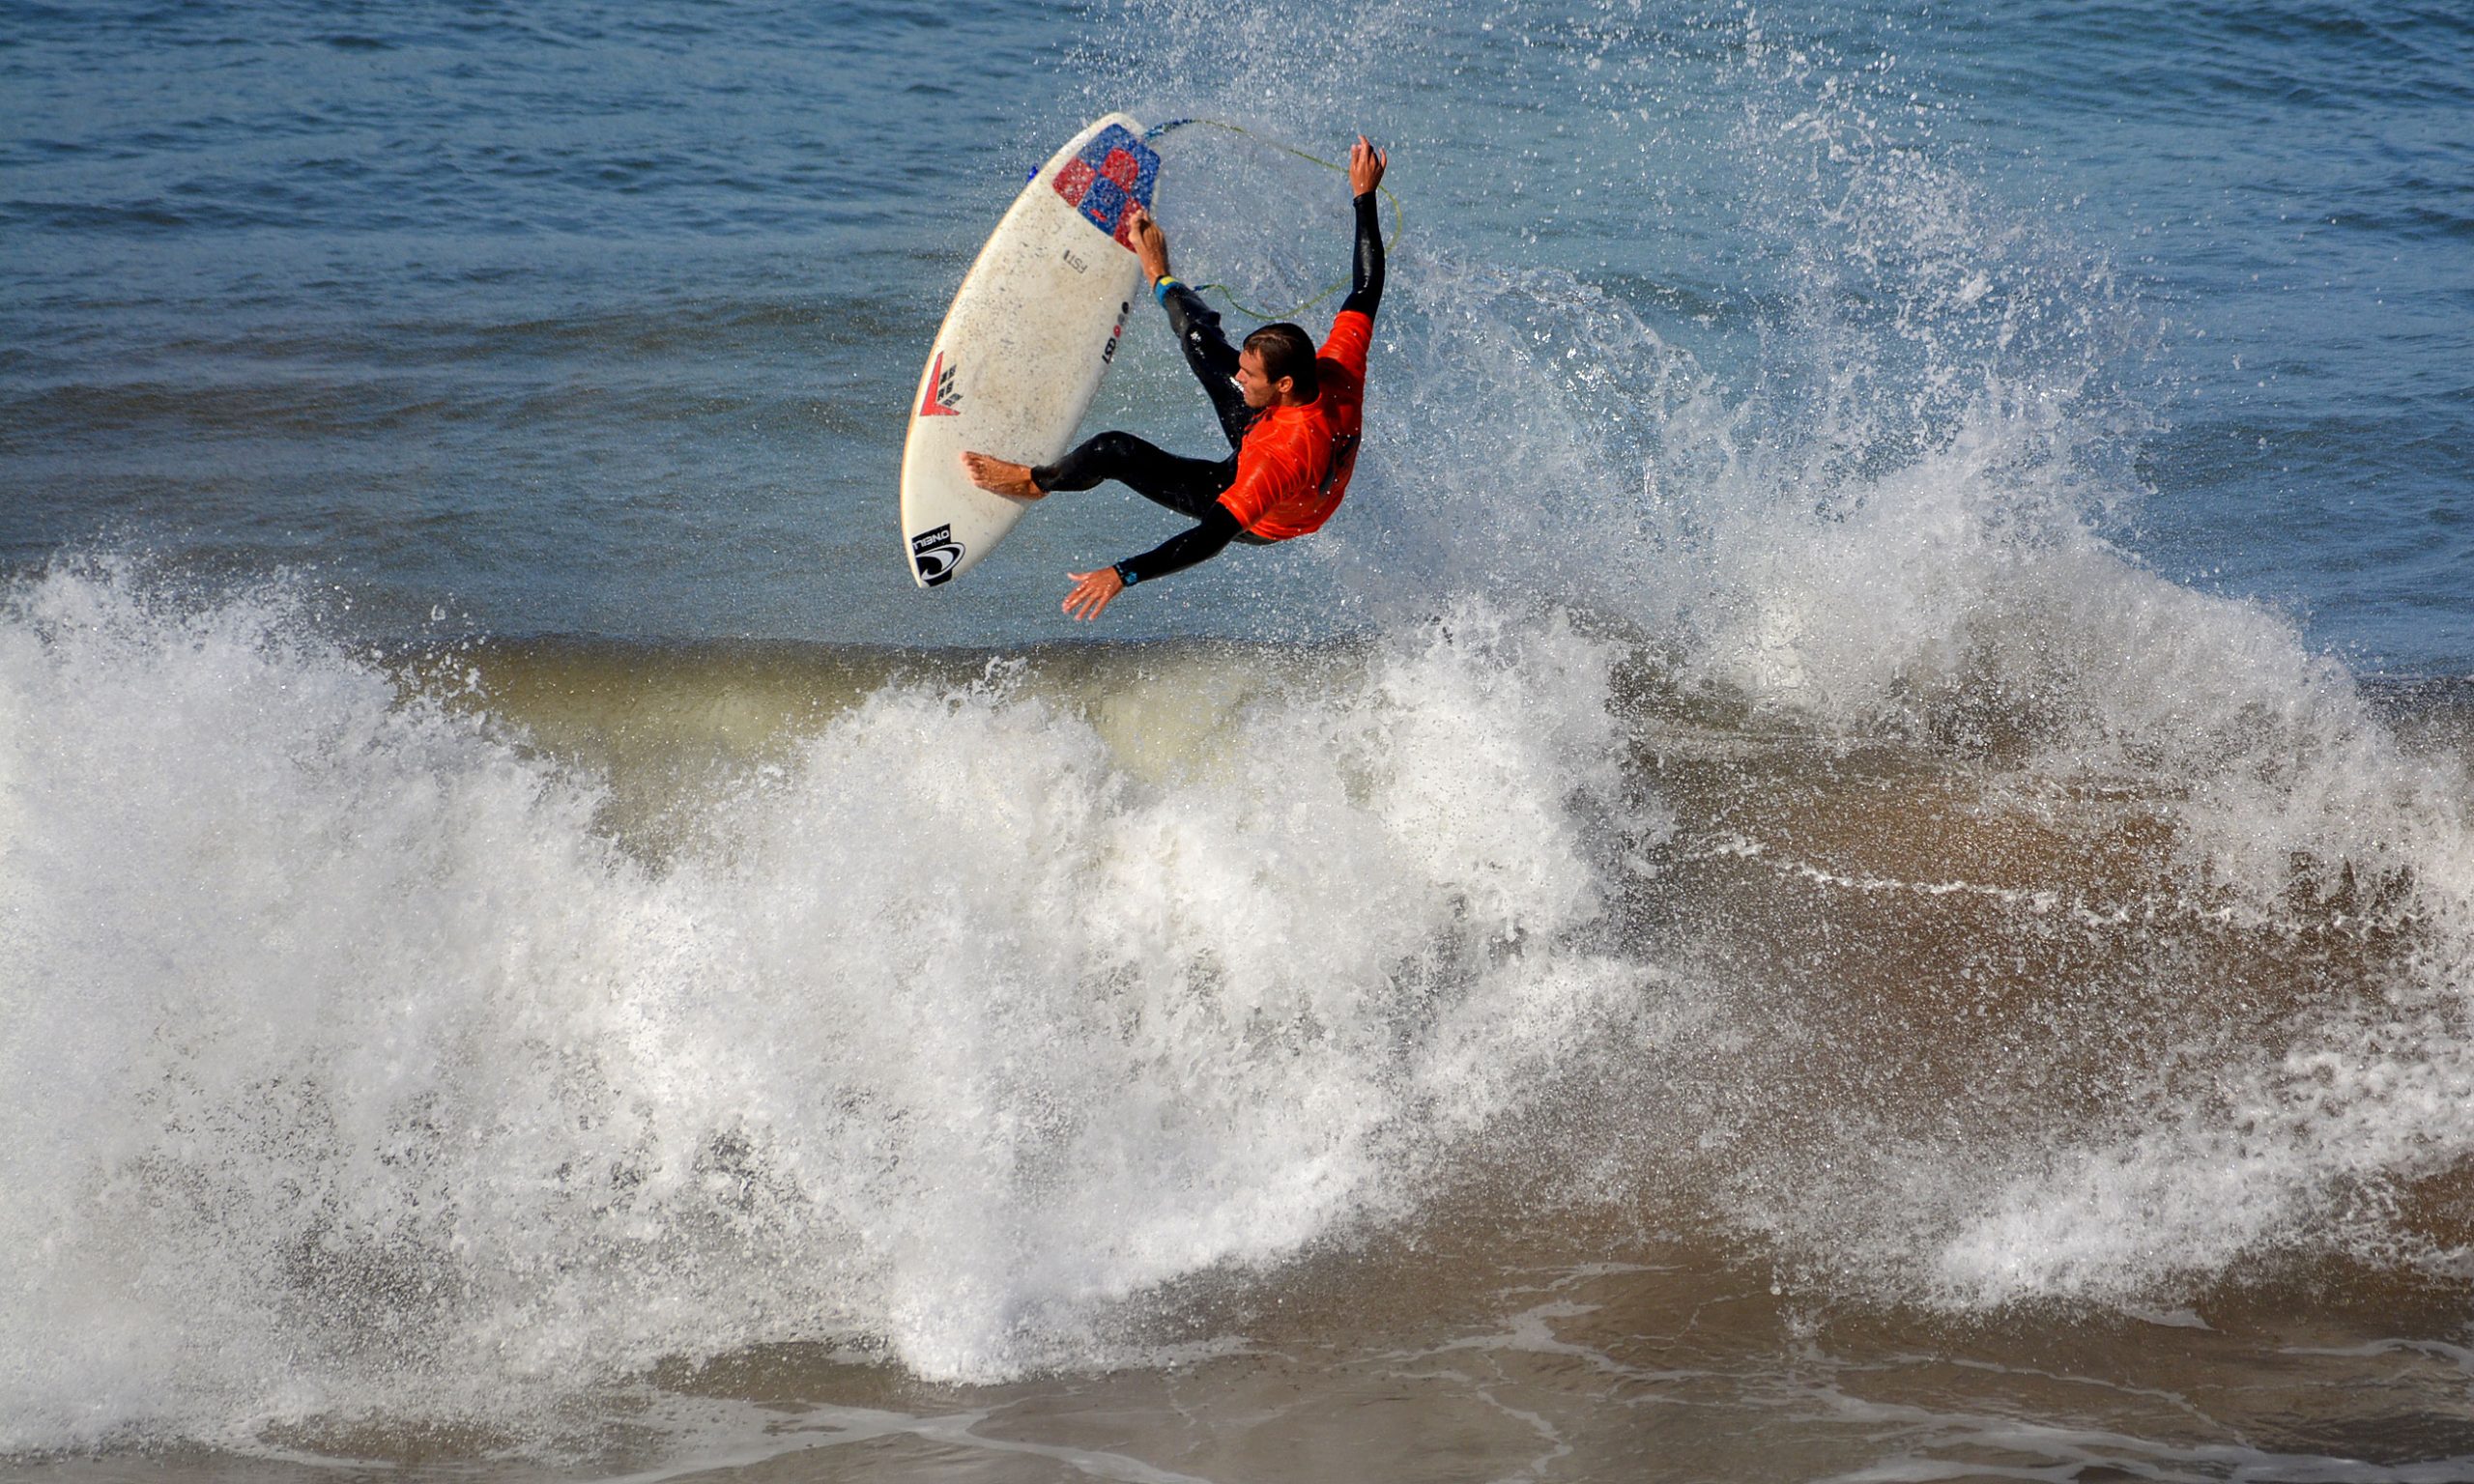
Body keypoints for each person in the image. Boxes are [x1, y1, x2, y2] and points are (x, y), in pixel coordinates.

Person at [963, 135, 1388, 621]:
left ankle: (1034, 482)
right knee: (1202, 342)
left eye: (1249, 376)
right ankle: (1160, 274)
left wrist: (1124, 573)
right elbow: (1368, 285)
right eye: (1243, 368)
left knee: (1112, 450)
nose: (1239, 378)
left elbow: (1209, 539)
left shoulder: (1274, 464)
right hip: (1282, 436)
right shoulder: (1336, 365)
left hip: (1278, 514)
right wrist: (1364, 194)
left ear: (1283, 384)